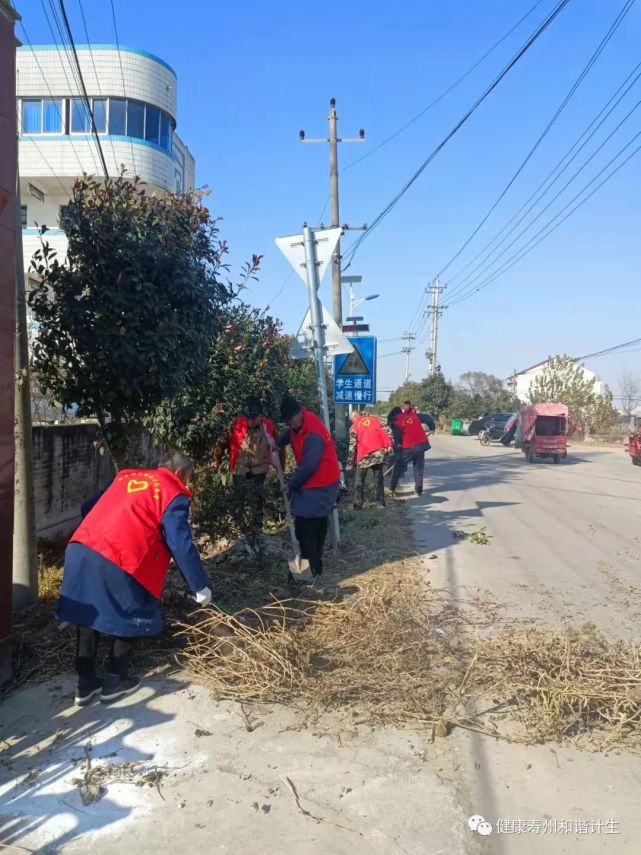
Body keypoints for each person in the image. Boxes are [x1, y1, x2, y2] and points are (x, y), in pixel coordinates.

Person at [58, 449, 212, 706]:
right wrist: (199, 585)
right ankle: (115, 680)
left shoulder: (126, 476)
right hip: (120, 556)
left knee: (87, 615)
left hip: (81, 548)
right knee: (133, 609)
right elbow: (180, 542)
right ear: (178, 473)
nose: (187, 483)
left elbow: (87, 507)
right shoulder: (172, 492)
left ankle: (85, 685)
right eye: (188, 477)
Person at [276, 395, 340, 582]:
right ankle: (314, 568)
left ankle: (309, 568)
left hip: (322, 482)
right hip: (312, 481)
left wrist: (291, 484)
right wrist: (278, 443)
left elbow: (309, 465)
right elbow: (291, 434)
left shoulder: (313, 431)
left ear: (299, 413)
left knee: (305, 526)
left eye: (291, 420)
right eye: (287, 421)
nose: (290, 424)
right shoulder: (298, 423)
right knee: (312, 525)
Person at [347, 412, 393, 509]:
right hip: (378, 453)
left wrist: (350, 463)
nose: (353, 422)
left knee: (359, 482)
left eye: (352, 420)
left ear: (355, 417)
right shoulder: (375, 419)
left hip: (364, 456)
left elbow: (352, 446)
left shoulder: (354, 426)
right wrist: (388, 446)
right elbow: (387, 431)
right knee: (378, 479)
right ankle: (380, 503)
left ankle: (357, 505)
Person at [390, 404, 436, 497]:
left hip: (408, 447)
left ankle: (391, 488)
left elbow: (397, 437)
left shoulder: (397, 421)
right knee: (418, 468)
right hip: (421, 445)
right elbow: (428, 419)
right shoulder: (415, 416)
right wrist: (432, 428)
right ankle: (418, 489)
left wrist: (398, 446)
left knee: (398, 466)